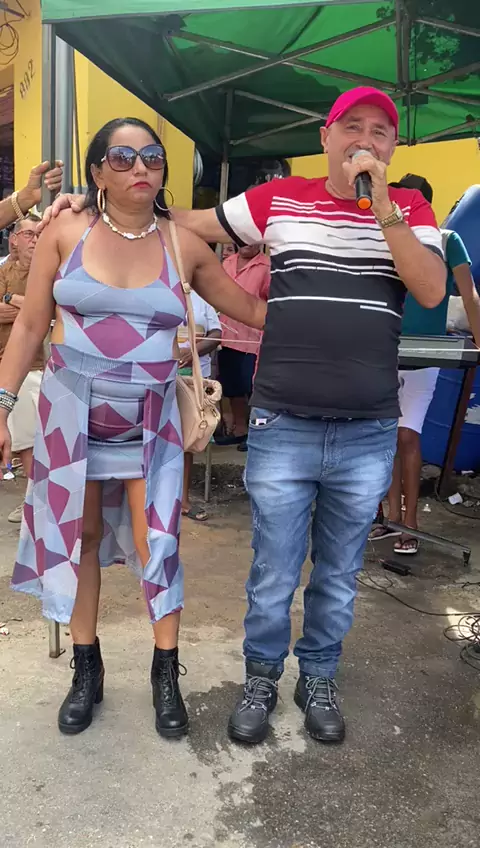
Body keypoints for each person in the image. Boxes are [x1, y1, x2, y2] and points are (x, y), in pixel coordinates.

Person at [44, 86, 446, 747]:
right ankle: (260, 680)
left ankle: (317, 678)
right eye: (353, 126)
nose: (366, 139)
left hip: (367, 425)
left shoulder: (410, 208)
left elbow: (429, 290)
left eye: (381, 130)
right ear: (326, 136)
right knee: (273, 571)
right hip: (281, 419)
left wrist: (383, 208)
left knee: (338, 572)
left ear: (393, 146)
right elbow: (185, 219)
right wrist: (100, 200)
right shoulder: (278, 199)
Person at [0, 117, 266, 740]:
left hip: (151, 419)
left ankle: (165, 673)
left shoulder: (182, 243)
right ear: (97, 171)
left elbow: (252, 309)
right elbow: (32, 324)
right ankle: (86, 670)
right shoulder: (65, 230)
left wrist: (325, 292)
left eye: (152, 156)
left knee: (159, 542)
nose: (140, 167)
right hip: (71, 415)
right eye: (122, 157)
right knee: (83, 538)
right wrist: (2, 404)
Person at [370, 174, 480, 554]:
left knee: (407, 435)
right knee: (385, 436)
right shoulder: (386, 240)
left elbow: (470, 295)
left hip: (424, 356)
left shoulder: (448, 242)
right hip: (384, 352)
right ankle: (388, 517)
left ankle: (411, 521)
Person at [0, 215, 43, 522]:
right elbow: (30, 314)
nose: (34, 240)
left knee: (40, 440)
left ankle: (37, 504)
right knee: (25, 440)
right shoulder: (4, 271)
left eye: (38, 235)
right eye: (29, 234)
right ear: (14, 239)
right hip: (10, 366)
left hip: (39, 364)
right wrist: (24, 309)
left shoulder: (45, 271)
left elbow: (41, 312)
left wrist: (10, 300)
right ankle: (33, 503)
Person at [216, 244, 270, 449]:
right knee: (232, 387)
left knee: (251, 387)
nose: (247, 244)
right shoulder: (227, 263)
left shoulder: (267, 266)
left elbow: (270, 299)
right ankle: (240, 431)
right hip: (226, 334)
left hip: (252, 337)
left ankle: (256, 433)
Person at [177, 290, 221, 521]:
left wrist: (194, 351)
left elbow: (216, 334)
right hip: (159, 373)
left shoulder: (202, 298)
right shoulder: (156, 288)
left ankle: (183, 501)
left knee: (188, 437)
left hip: (195, 378)